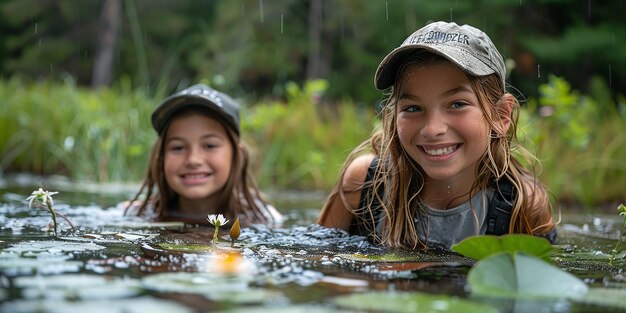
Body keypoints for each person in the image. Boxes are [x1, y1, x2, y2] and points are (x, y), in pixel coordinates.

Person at [317, 21, 557, 250]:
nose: (432, 129)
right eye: (413, 108)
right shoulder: (366, 184)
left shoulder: (523, 206)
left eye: (457, 104)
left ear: (501, 116)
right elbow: (322, 271)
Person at [125, 83, 282, 226]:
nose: (193, 160)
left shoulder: (264, 218)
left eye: (209, 145)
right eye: (178, 148)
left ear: (236, 154)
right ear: (161, 157)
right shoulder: (137, 213)